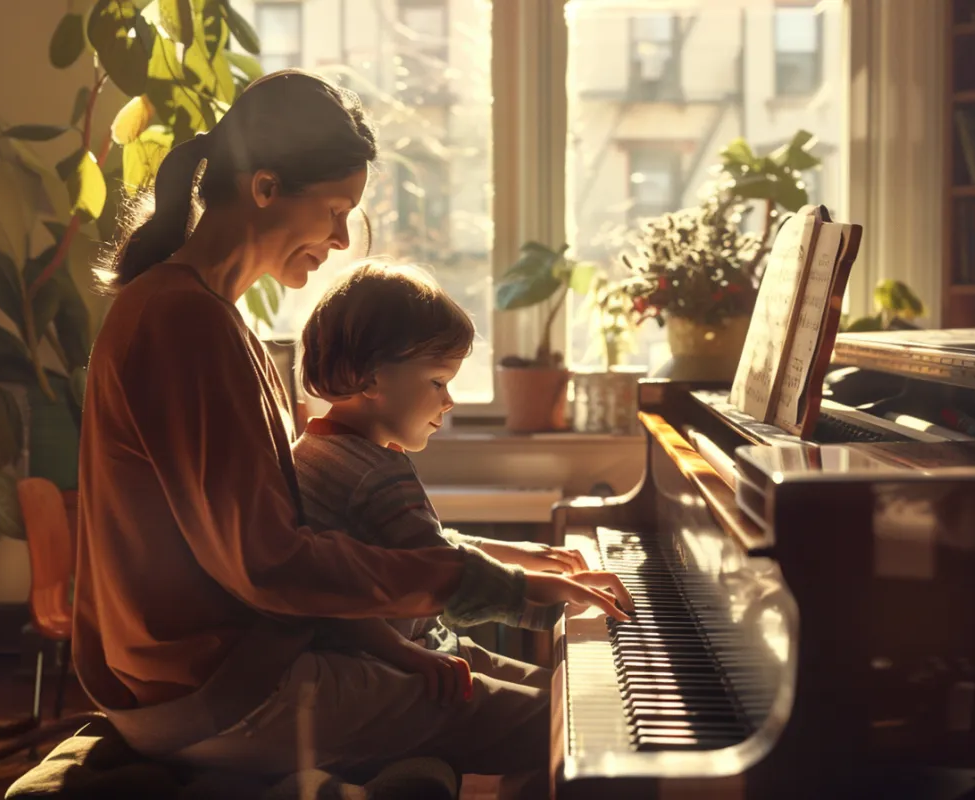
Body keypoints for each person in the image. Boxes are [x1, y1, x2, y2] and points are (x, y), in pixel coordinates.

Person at [72, 68, 632, 797]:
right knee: (580, 733)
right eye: (336, 210)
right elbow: (272, 566)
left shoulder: (210, 315)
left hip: (244, 665)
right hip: (219, 691)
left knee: (560, 703)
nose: (340, 240)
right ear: (265, 188)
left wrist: (519, 565)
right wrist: (489, 583)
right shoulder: (182, 322)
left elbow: (296, 544)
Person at [289, 260, 585, 727]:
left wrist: (516, 552)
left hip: (396, 647)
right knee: (567, 725)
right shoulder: (378, 475)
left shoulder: (314, 450)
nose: (448, 401)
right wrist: (562, 598)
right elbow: (438, 577)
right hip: (378, 666)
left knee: (561, 697)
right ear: (370, 377)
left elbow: (405, 554)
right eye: (438, 381)